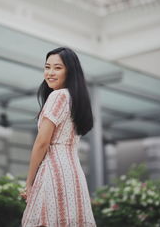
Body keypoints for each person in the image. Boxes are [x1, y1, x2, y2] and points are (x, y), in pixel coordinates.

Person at [21, 47, 97, 227]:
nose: (50, 72)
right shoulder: (74, 98)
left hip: (53, 171)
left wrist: (29, 182)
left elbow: (42, 142)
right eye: (47, 67)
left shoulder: (58, 96)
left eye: (57, 68)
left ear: (69, 71)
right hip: (73, 173)